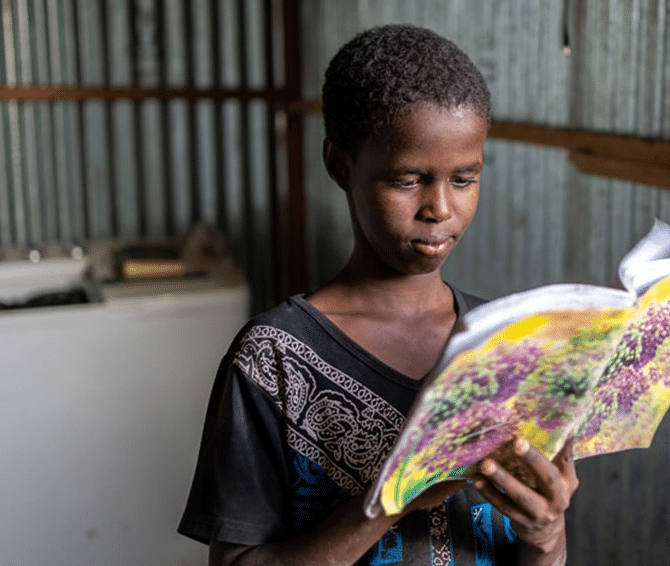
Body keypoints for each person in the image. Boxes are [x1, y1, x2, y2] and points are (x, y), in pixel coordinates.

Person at [178, 24, 578, 566]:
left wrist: (547, 536)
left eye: (464, 179)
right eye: (408, 180)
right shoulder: (273, 357)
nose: (440, 209)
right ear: (340, 166)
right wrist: (387, 502)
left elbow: (532, 553)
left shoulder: (508, 341)